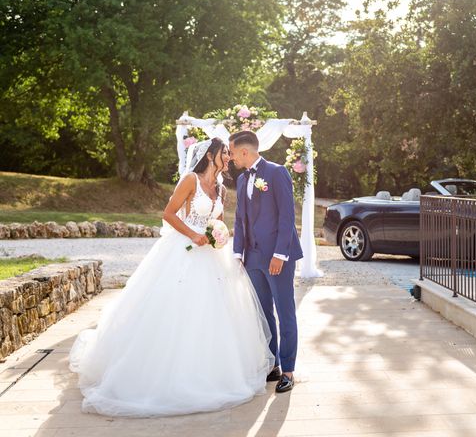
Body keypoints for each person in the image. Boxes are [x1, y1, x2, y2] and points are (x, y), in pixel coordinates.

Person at [69, 138, 274, 417]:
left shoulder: (223, 189)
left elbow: (219, 221)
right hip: (184, 252)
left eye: (229, 153)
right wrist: (192, 234)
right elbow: (168, 214)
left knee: (215, 315)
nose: (228, 157)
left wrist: (220, 235)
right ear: (211, 155)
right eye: (224, 153)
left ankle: (213, 373)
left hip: (213, 257)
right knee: (176, 310)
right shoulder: (191, 180)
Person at [229, 130, 303, 393]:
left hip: (276, 257)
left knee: (285, 312)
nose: (230, 157)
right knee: (262, 313)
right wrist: (238, 253)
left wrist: (280, 255)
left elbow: (286, 216)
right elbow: (239, 218)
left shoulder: (276, 172)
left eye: (232, 152)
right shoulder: (240, 180)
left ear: (245, 152)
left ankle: (289, 370)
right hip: (252, 257)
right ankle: (272, 364)